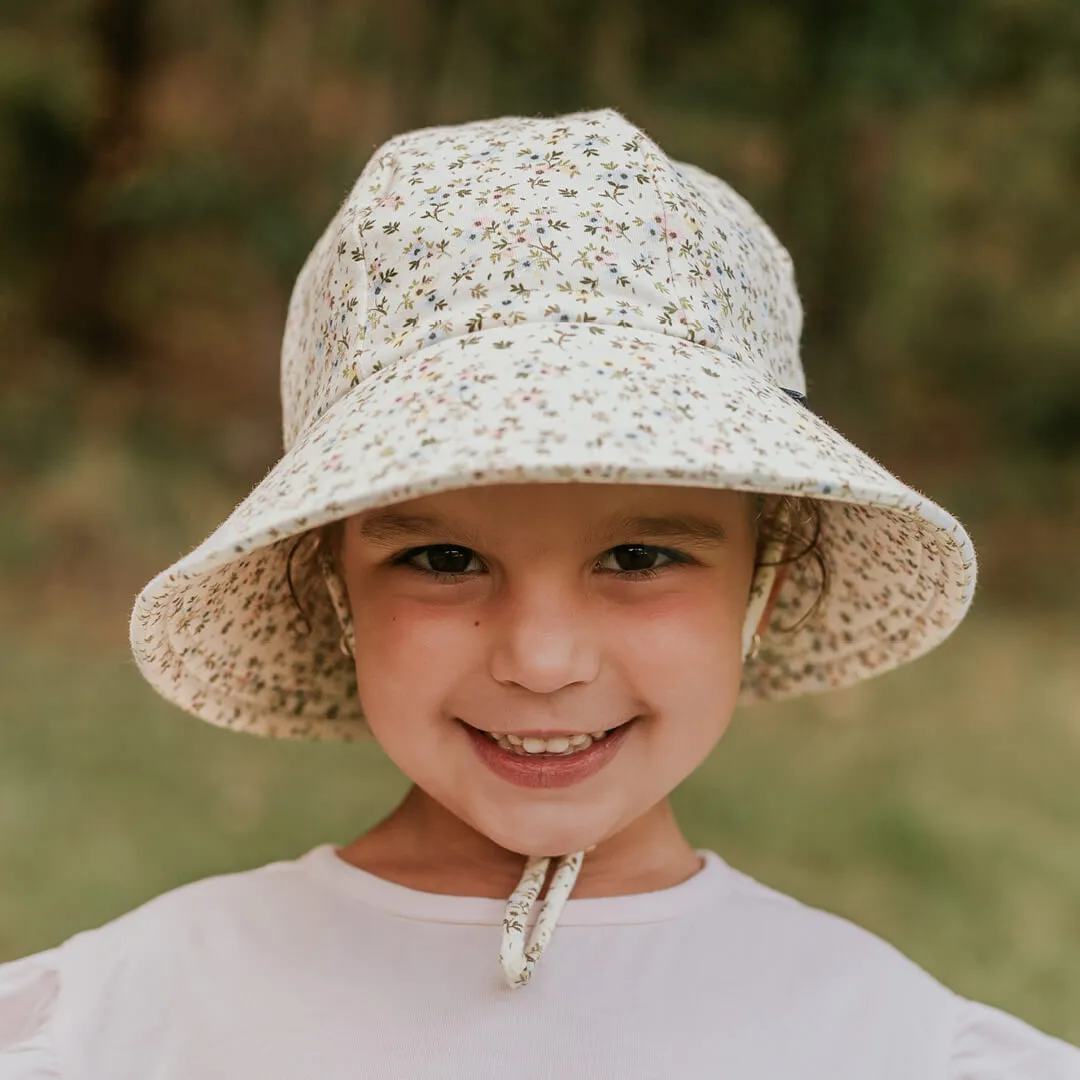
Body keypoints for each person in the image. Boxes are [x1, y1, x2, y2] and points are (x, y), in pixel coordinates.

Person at [1, 107, 1076, 1079]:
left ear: (764, 581)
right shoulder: (131, 1019)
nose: (544, 657)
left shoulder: (883, 1042)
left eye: (640, 558)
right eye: (444, 561)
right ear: (335, 589)